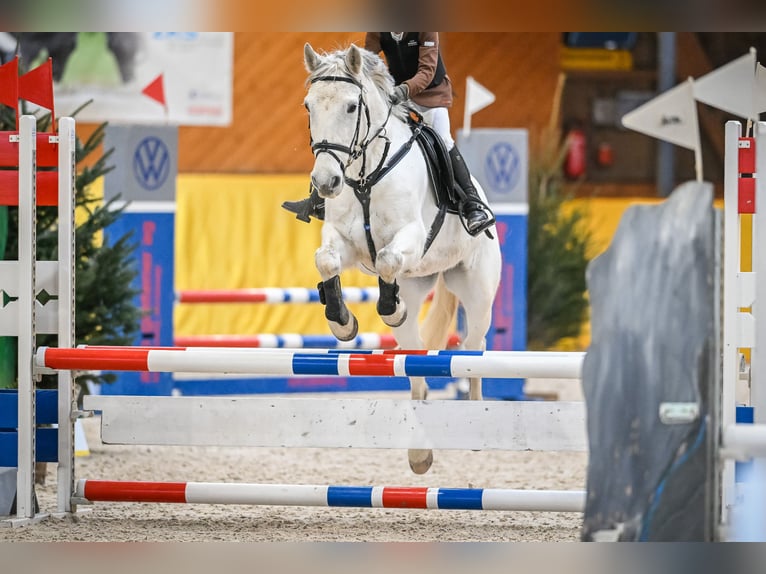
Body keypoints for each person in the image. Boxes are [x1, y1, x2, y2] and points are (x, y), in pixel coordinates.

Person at [282, 32, 494, 236]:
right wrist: (338, 69)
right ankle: (318, 201)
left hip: (431, 96)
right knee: (362, 136)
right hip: (397, 95)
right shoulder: (378, 29)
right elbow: (365, 63)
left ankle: (472, 205)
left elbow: (428, 71)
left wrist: (403, 90)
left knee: (444, 139)